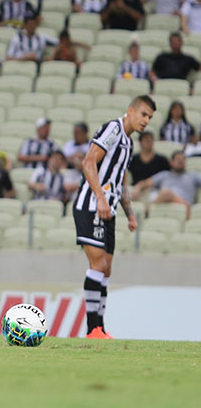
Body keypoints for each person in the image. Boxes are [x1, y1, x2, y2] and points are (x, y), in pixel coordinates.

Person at [73, 95, 155, 339]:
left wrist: (129, 213)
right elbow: (88, 162)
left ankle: (101, 328)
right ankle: (92, 329)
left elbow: (120, 183)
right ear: (130, 111)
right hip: (91, 206)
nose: (146, 121)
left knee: (106, 269)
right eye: (143, 114)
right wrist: (99, 197)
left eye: (149, 117)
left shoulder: (128, 143)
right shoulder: (113, 129)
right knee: (98, 264)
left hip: (108, 210)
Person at [134, 151, 199, 220]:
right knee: (164, 193)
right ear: (171, 162)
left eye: (183, 159)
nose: (181, 162)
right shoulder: (164, 175)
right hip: (163, 205)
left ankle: (146, 212)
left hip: (182, 206)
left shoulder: (192, 175)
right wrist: (137, 188)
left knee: (166, 192)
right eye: (178, 159)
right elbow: (146, 183)